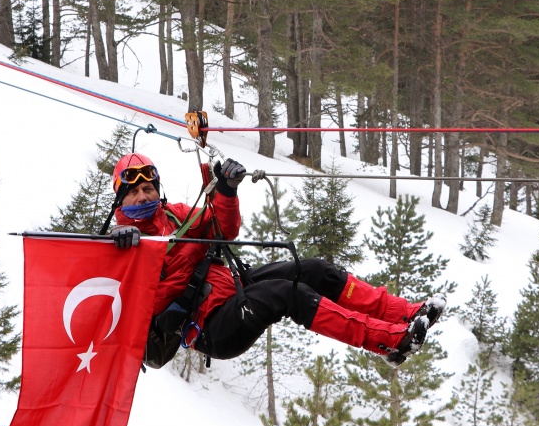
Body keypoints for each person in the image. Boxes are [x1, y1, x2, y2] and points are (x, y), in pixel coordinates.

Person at [110, 152, 446, 368]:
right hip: (210, 325)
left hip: (230, 288)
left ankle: (405, 313)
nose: (143, 196)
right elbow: (149, 304)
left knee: (312, 269)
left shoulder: (175, 214)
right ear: (121, 200)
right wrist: (129, 246)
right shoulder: (119, 250)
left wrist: (226, 193)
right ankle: (388, 340)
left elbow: (224, 231)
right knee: (287, 294)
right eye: (134, 192)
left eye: (148, 189)